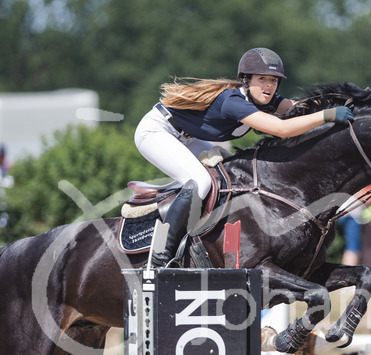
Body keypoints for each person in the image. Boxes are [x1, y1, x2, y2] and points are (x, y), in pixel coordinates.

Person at [134, 47, 354, 267]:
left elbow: (297, 108)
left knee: (233, 175)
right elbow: (281, 128)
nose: (269, 85)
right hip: (157, 131)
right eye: (263, 79)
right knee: (200, 182)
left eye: (274, 80)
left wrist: (342, 104)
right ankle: (159, 255)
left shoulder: (264, 99)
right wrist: (327, 115)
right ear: (246, 80)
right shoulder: (234, 102)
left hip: (187, 138)